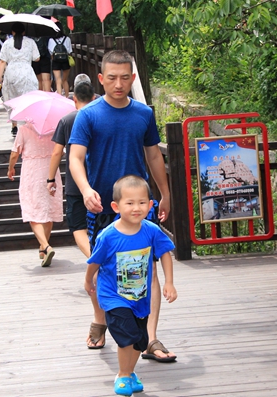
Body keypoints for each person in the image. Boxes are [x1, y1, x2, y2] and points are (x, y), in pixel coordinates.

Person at [69, 50, 177, 363]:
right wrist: (86, 188)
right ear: (101, 79)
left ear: (133, 78)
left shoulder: (143, 114)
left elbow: (154, 155)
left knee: (148, 268)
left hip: (139, 206)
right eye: (112, 78)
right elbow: (76, 157)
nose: (119, 84)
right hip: (103, 204)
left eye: (125, 77)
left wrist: (164, 193)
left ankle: (150, 338)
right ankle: (100, 319)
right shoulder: (88, 115)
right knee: (104, 266)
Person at [85, 175, 177, 396]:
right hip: (113, 296)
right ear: (116, 206)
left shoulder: (151, 230)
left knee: (139, 339)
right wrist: (88, 280)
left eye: (142, 202)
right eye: (130, 203)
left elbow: (165, 253)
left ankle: (130, 372)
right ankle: (123, 375)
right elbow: (95, 261)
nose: (137, 208)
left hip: (140, 297)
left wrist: (169, 282)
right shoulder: (108, 236)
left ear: (150, 205)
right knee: (126, 336)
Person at [46, 74, 105, 347]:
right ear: (94, 95)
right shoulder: (100, 114)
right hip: (100, 182)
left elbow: (57, 152)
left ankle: (95, 258)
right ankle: (99, 257)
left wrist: (50, 179)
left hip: (76, 185)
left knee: (78, 228)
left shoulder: (68, 120)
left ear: (73, 98)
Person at [8, 123, 63, 267]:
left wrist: (11, 168)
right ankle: (43, 249)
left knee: (33, 210)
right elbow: (60, 151)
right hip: (50, 170)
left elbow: (15, 153)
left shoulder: (24, 129)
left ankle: (45, 246)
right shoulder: (54, 129)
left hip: (32, 171)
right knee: (48, 209)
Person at [0, 22, 40, 136]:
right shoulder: (30, 42)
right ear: (24, 32)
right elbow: (37, 58)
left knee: (12, 99)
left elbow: (2, 61)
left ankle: (14, 126)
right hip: (26, 72)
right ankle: (28, 124)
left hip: (11, 73)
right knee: (28, 99)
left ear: (12, 32)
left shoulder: (7, 43)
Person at [47, 22, 72, 96]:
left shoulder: (51, 40)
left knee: (58, 80)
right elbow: (69, 51)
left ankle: (60, 97)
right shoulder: (67, 38)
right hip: (65, 61)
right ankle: (67, 96)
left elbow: (51, 52)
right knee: (64, 80)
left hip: (56, 61)